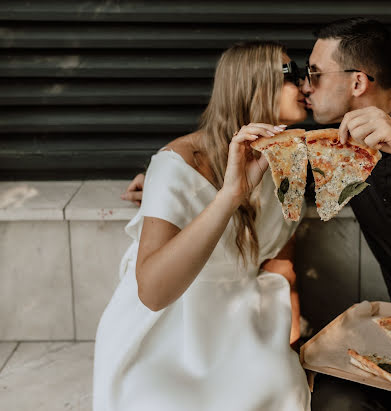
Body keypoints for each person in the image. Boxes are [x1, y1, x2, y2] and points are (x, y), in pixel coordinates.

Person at [123, 18, 391, 410]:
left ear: (358, 83)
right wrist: (172, 173)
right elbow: (240, 158)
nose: (304, 86)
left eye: (314, 74)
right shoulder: (326, 145)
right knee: (328, 400)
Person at [93, 41, 311, 411]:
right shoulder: (176, 163)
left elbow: (281, 262)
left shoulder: (290, 161)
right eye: (293, 74)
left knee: (283, 390)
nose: (306, 84)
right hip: (168, 325)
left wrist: (290, 341)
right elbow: (153, 292)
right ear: (252, 85)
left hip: (240, 318)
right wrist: (228, 197)